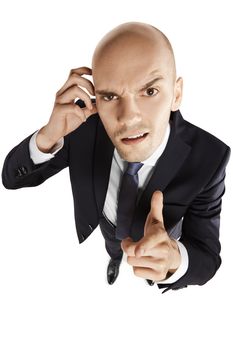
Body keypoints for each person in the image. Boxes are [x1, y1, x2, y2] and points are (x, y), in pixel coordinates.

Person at [2, 22, 231, 293]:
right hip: (108, 227)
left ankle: (151, 269)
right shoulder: (82, 125)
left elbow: (206, 254)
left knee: (154, 259)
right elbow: (11, 179)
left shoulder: (210, 157)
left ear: (176, 94)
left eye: (149, 91)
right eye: (110, 96)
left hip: (160, 237)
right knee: (114, 245)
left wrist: (173, 261)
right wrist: (48, 135)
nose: (129, 117)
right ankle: (115, 259)